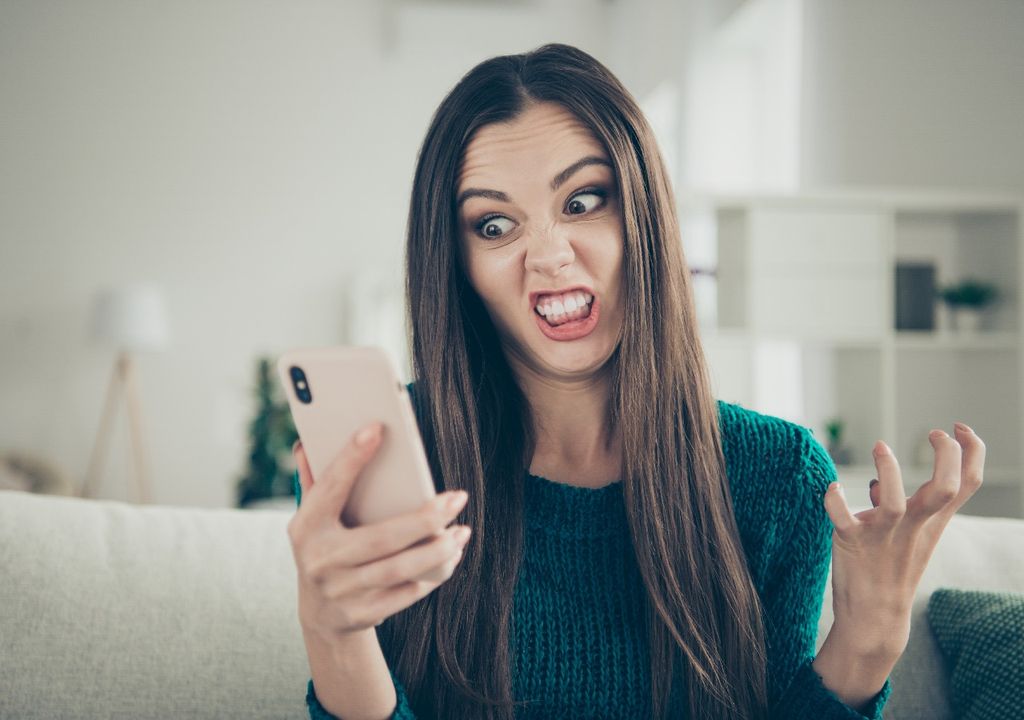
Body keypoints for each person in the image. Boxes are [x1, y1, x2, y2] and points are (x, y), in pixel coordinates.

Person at [286, 43, 987, 720]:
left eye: (584, 201)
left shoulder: (777, 476)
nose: (549, 257)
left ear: (645, 216)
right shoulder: (390, 466)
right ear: (457, 263)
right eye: (495, 225)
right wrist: (332, 632)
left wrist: (866, 645)